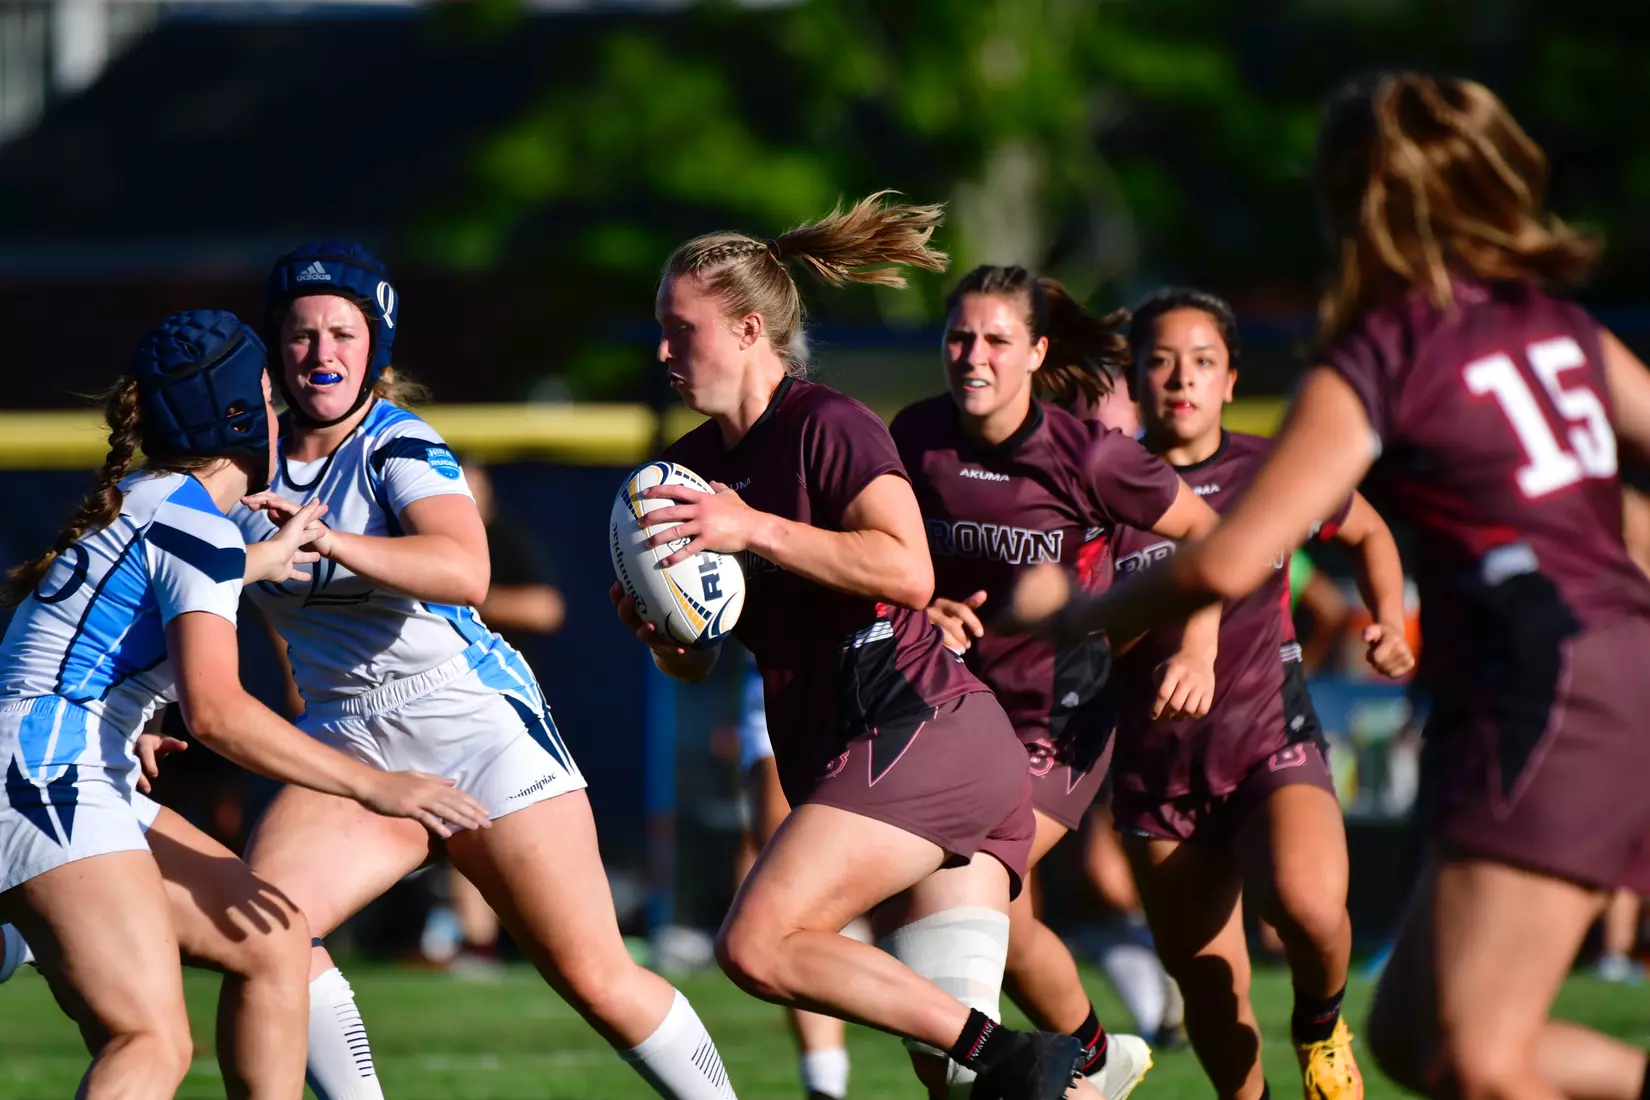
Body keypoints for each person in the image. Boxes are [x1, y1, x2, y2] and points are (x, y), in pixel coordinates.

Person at [1007, 72, 1650, 1100]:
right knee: (1413, 1039)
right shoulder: (1557, 324)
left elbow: (1223, 558)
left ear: (1356, 200)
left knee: (1479, 1056)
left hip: (1548, 688)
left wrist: (1068, 615)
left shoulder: (1383, 352)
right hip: (1592, 674)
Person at [234, 242, 740, 1100]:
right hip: (346, 733)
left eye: (343, 334)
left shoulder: (397, 443)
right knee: (262, 934)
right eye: (301, 333)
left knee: (596, 980)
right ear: (274, 347)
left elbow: (465, 571)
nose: (322, 352)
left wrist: (328, 540)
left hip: (469, 721)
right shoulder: (241, 463)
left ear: (375, 348)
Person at [614, 192, 1085, 1100]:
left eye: (683, 331)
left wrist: (752, 528)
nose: (666, 354)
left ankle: (1019, 1053)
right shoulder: (687, 469)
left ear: (750, 329)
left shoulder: (827, 423)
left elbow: (907, 570)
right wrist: (665, 634)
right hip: (872, 749)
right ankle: (1031, 1069)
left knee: (757, 944)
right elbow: (703, 655)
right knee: (957, 1082)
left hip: (919, 731)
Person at [0, 310, 487, 1100]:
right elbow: (219, 712)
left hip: (62, 766)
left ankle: (20, 925)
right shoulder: (196, 529)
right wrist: (377, 785)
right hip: (49, 779)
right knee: (149, 1043)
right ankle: (23, 921)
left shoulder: (151, 500)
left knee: (272, 937)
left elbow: (144, 605)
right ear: (232, 413)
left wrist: (271, 556)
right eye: (265, 395)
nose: (278, 411)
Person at [891, 263, 1224, 1100]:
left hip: (1059, 720)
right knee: (1003, 915)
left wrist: (1196, 651)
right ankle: (1096, 1059)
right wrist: (924, 602)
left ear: (1037, 352)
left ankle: (1024, 1075)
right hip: (951, 712)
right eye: (958, 337)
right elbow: (886, 556)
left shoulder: (1091, 458)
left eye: (996, 340)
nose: (973, 356)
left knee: (945, 911)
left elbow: (1215, 537)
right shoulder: (914, 437)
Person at [1103, 286, 1413, 1100]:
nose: (1181, 379)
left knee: (1308, 908)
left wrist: (1385, 620)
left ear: (1231, 380)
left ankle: (1320, 1026)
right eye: (1161, 362)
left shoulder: (1268, 472)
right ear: (1134, 379)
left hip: (1270, 743)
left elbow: (1370, 530)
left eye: (1202, 362)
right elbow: (1081, 632)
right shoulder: (1101, 489)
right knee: (1208, 985)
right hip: (1157, 769)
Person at [422, 457, 567, 972]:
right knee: (457, 825)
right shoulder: (414, 539)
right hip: (425, 710)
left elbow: (545, 608)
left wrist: (464, 595)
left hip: (504, 710)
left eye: (471, 481)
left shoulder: (501, 539)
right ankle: (473, 943)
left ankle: (540, 940)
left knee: (513, 832)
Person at [732, 651, 865, 1100]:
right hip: (777, 668)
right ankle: (824, 1083)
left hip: (876, 661)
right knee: (784, 890)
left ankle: (987, 1043)